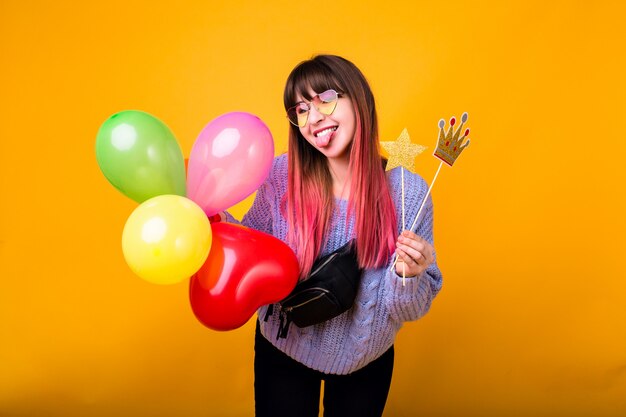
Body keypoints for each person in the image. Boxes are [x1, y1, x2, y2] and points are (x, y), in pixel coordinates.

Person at [225, 54, 442, 417]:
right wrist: (211, 219)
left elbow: (409, 309)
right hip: (282, 348)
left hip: (365, 361)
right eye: (301, 109)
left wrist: (408, 274)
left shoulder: (407, 193)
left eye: (326, 98)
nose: (315, 117)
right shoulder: (282, 175)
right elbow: (251, 248)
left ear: (358, 99)